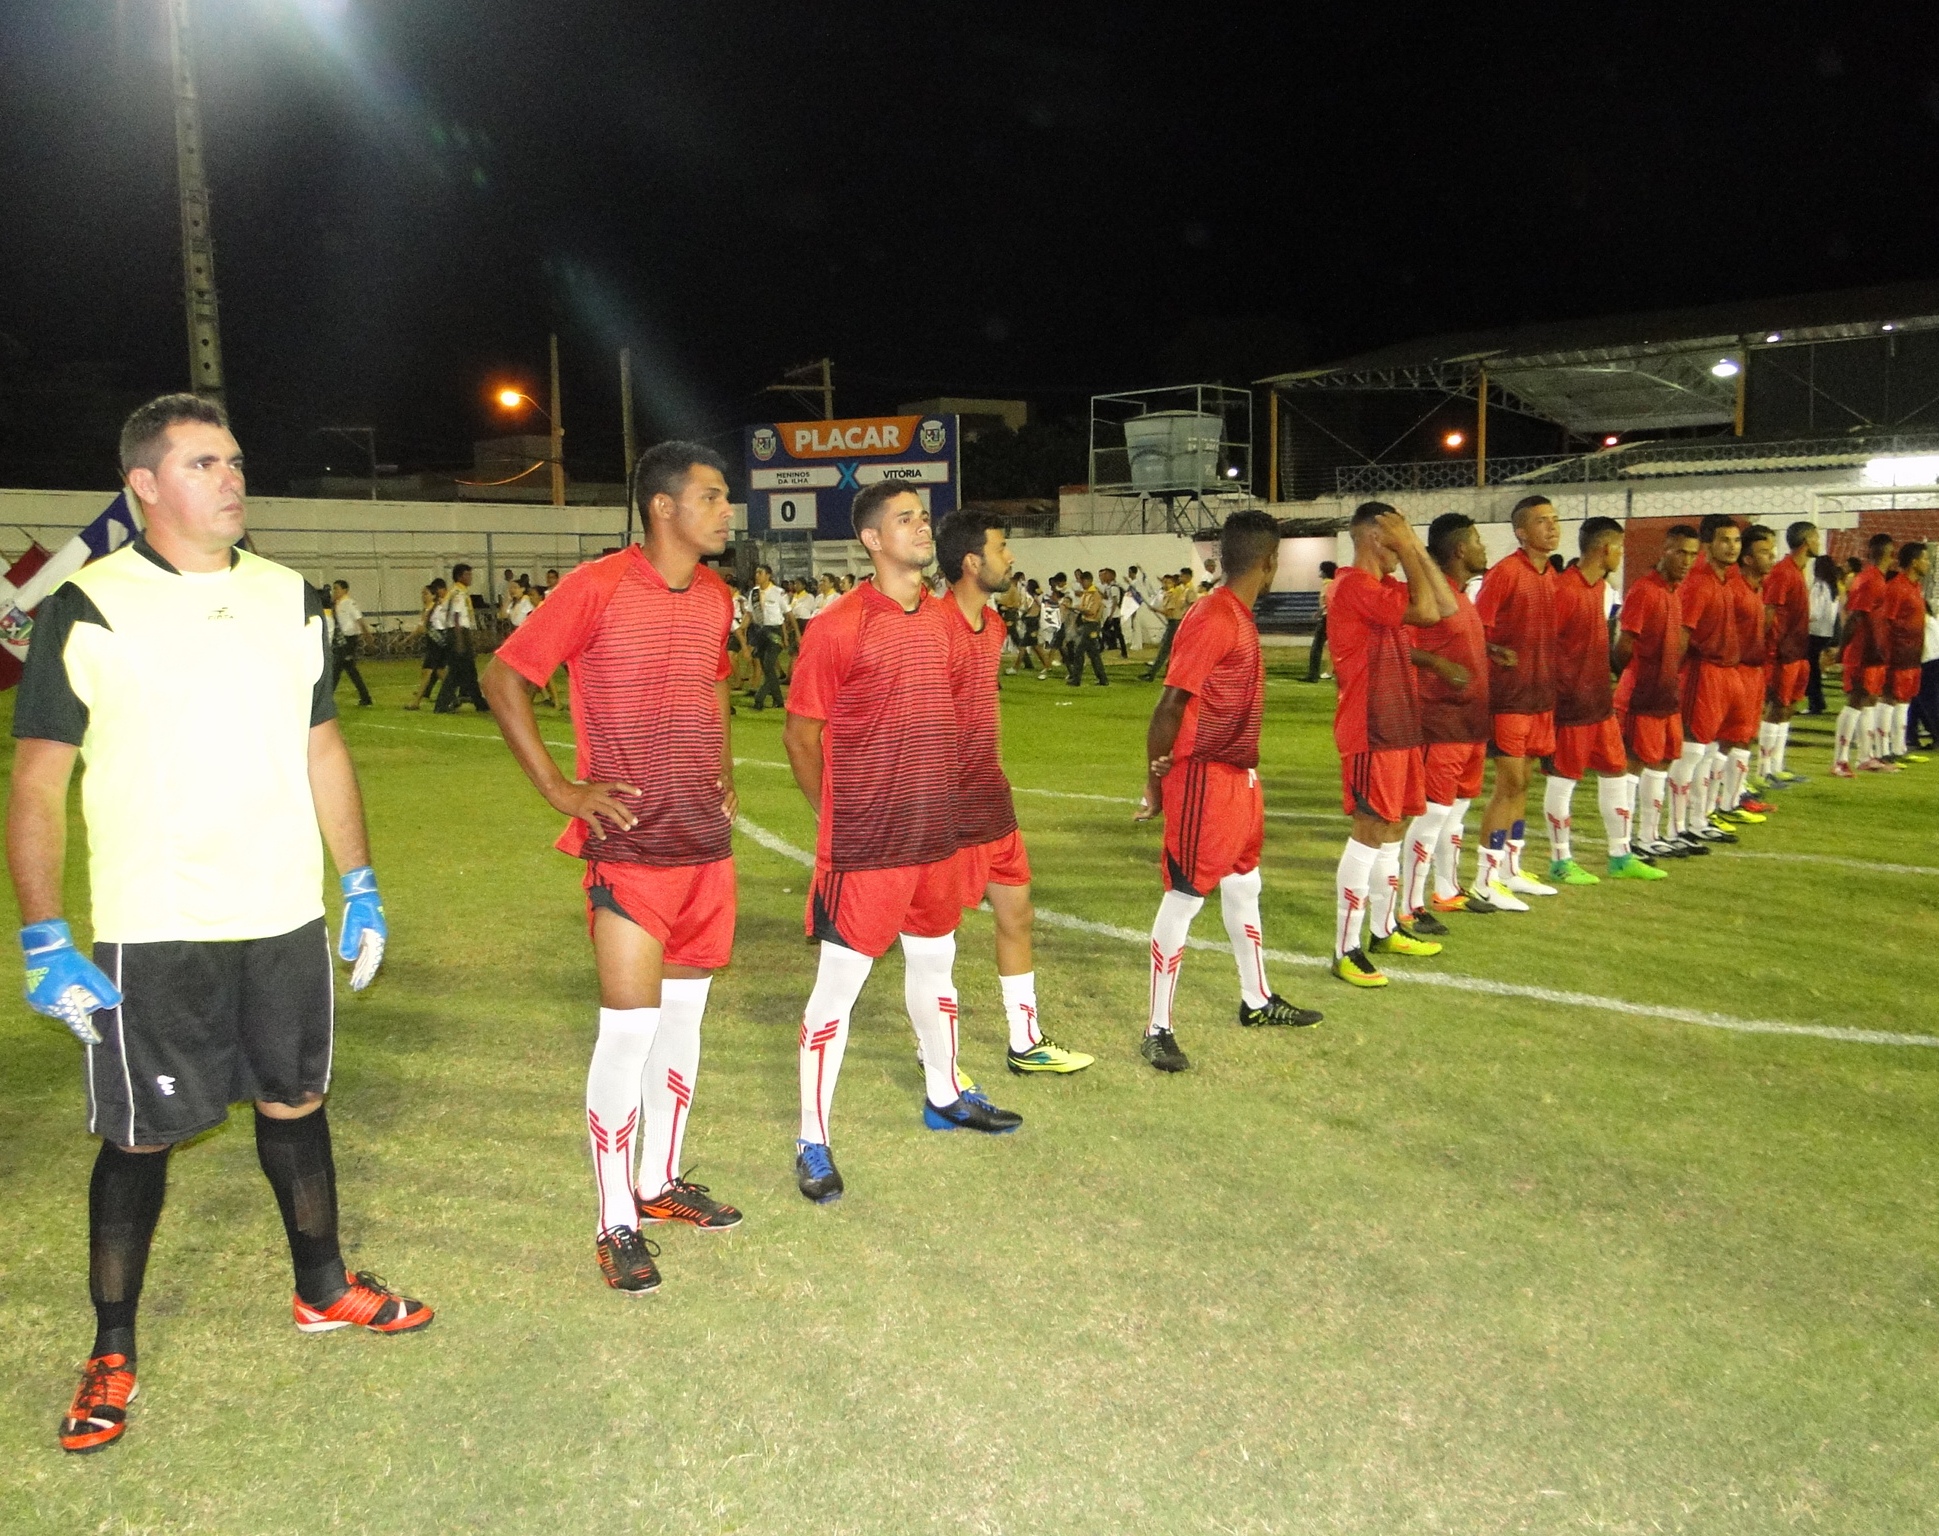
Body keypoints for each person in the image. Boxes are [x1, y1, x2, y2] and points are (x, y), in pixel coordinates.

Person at [11, 394, 427, 1456]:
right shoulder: (87, 606)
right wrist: (45, 934)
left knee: (297, 1101)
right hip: (157, 927)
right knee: (139, 1135)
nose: (232, 478)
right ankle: (111, 1343)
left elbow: (322, 746)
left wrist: (361, 879)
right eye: (204, 462)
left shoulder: (291, 599)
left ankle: (321, 1289)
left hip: (283, 914)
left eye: (235, 460)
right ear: (146, 485)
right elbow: (38, 784)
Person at [482, 441, 744, 1295]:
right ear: (663, 507)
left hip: (703, 845)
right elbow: (505, 676)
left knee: (685, 1026)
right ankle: (614, 1222)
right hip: (629, 849)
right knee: (627, 1034)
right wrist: (560, 786)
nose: (725, 511)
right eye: (711, 497)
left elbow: (712, 686)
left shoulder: (715, 596)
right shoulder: (594, 587)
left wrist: (725, 773)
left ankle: (659, 1183)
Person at [782, 484, 1024, 1203]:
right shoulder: (839, 625)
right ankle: (811, 1140)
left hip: (934, 836)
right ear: (871, 540)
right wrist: (840, 817)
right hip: (868, 846)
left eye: (923, 516)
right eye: (905, 519)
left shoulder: (949, 624)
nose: (921, 528)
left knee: (937, 964)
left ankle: (945, 1092)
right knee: (836, 995)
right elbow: (801, 735)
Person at [1134, 512, 1325, 1069]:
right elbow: (1169, 703)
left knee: (1246, 885)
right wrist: (1156, 782)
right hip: (1204, 777)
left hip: (1240, 776)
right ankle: (1157, 1027)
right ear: (1269, 564)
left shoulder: (1235, 615)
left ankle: (1256, 998)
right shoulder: (1215, 614)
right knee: (1185, 896)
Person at [936, 511, 1093, 1075]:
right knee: (936, 939)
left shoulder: (995, 628)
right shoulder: (934, 626)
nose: (1012, 558)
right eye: (1002, 548)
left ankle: (1025, 1041)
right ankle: (941, 1060)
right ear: (972, 562)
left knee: (1018, 913)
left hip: (992, 798)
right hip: (946, 807)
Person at [1325, 503, 1457, 987]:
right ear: (1374, 537)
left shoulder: (1380, 588)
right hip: (1370, 728)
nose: (1405, 543)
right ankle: (1346, 949)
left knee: (1394, 825)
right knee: (1369, 828)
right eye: (1396, 533)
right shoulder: (1355, 585)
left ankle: (1383, 927)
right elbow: (1425, 610)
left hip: (1398, 725)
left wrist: (1415, 547)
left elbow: (1445, 607)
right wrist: (1409, 547)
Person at [1544, 518, 1664, 883]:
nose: (1622, 555)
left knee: (1616, 771)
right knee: (1563, 780)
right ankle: (1560, 860)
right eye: (1620, 548)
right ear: (1605, 549)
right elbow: (1546, 646)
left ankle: (1620, 853)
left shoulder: (1599, 588)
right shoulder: (1564, 590)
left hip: (1599, 703)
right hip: (1571, 706)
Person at [1402, 513, 1500, 924]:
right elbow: (1399, 648)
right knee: (1433, 814)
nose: (1483, 549)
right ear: (1460, 550)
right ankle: (1409, 906)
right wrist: (1441, 667)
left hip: (1471, 724)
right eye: (1477, 541)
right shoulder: (1428, 597)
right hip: (1441, 723)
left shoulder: (1459, 596)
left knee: (1456, 812)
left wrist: (1490, 654)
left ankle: (1446, 888)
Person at [1474, 495, 1563, 903]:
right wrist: (1495, 653)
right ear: (1521, 532)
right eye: (1542, 521)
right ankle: (1485, 877)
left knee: (1524, 782)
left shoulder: (1550, 576)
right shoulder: (1506, 573)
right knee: (1508, 783)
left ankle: (1511, 869)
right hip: (1508, 698)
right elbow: (1477, 629)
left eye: (1555, 520)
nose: (1552, 527)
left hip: (1539, 697)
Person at [1615, 525, 1701, 862]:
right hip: (1642, 692)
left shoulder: (1675, 591)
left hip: (1666, 692)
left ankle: (1650, 835)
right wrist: (1637, 676)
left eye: (1693, 555)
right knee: (1634, 764)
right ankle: (1627, 840)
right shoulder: (1645, 589)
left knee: (1662, 761)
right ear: (1664, 550)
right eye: (1680, 552)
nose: (1686, 560)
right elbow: (1624, 645)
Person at [1758, 522, 1817, 785]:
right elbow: (1770, 612)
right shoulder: (1783, 572)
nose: (1819, 542)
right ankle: (1764, 768)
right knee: (1776, 708)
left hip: (1797, 652)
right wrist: (1771, 649)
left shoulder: (1798, 571)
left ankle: (1778, 765)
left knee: (1788, 708)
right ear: (1806, 540)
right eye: (1816, 536)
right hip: (1782, 653)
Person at [1833, 532, 1896, 775]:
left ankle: (1865, 756)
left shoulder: (1875, 578)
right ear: (1890, 555)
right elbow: (1855, 618)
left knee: (1869, 700)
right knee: (1856, 700)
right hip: (1862, 652)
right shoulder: (1870, 580)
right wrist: (1842, 650)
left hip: (1873, 652)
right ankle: (1840, 760)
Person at [1884, 541, 1932, 764]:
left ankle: (1899, 746)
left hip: (1913, 656)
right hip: (1898, 656)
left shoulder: (1915, 587)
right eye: (1925, 559)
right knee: (1891, 701)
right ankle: (1885, 750)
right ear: (1914, 562)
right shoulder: (1897, 587)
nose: (1928, 563)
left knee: (1904, 702)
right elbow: (1887, 622)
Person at [433, 564, 490, 714]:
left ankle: (479, 702)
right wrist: (460, 641)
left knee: (470, 671)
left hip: (459, 632)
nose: (470, 577)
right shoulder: (458, 593)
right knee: (456, 671)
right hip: (458, 633)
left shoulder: (458, 591)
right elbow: (457, 617)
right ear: (459, 576)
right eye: (467, 575)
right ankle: (442, 704)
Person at [746, 564, 788, 710]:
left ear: (768, 575)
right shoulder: (754, 593)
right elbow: (749, 613)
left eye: (760, 572)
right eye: (756, 572)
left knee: (769, 665)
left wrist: (788, 635)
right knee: (766, 668)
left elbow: (787, 614)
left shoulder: (778, 592)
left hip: (774, 631)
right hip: (760, 632)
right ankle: (778, 700)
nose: (757, 575)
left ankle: (759, 699)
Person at [326, 579, 373, 706]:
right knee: (349, 669)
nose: (334, 591)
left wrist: (367, 636)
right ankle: (365, 697)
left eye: (337, 588)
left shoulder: (349, 603)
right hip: (340, 640)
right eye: (334, 588)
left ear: (345, 590)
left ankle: (326, 698)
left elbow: (359, 620)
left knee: (337, 668)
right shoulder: (336, 603)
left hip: (348, 640)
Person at [1805, 553, 1842, 716]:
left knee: (1811, 670)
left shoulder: (1819, 586)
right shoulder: (1833, 586)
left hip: (1816, 631)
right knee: (1814, 669)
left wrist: (1802, 619)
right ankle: (1817, 701)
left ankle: (1816, 702)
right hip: (1827, 631)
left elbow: (1814, 612)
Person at [405, 578, 448, 709]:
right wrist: (407, 639)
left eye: (426, 594)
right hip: (434, 644)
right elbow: (421, 628)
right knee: (440, 672)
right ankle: (452, 697)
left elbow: (424, 628)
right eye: (422, 594)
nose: (423, 596)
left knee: (426, 672)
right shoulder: (428, 610)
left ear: (434, 595)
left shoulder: (438, 610)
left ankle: (416, 702)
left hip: (437, 646)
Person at [1141, 572, 1189, 681]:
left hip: (1174, 623)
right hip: (1175, 623)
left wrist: (1155, 610)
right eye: (1164, 582)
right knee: (1172, 650)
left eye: (1168, 582)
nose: (1165, 584)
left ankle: (1151, 674)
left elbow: (1168, 612)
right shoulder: (1173, 593)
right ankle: (1168, 673)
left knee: (1164, 650)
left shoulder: (1173, 595)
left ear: (1173, 583)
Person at [1066, 570, 1108, 686]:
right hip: (1087, 624)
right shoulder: (1086, 593)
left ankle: (1076, 679)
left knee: (1079, 651)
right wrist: (1072, 608)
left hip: (1091, 625)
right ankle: (1103, 679)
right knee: (1094, 654)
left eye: (1083, 581)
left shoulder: (1095, 595)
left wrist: (1077, 609)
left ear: (1089, 580)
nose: (1082, 584)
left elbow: (1091, 611)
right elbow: (1082, 606)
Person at [1306, 560, 1337, 682]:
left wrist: (1318, 612)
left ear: (1324, 572)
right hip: (1333, 617)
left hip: (1327, 617)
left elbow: (1328, 600)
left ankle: (1313, 675)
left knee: (1317, 646)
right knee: (1335, 647)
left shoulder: (1327, 584)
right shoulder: (1334, 583)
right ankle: (1330, 672)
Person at [1098, 567, 1129, 658]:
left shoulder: (1114, 587)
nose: (1103, 576)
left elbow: (1115, 601)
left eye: (1105, 574)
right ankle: (1121, 651)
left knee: (1111, 632)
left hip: (1114, 614)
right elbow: (1108, 598)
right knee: (1108, 631)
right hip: (1112, 613)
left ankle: (1103, 648)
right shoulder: (1109, 587)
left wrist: (1111, 614)